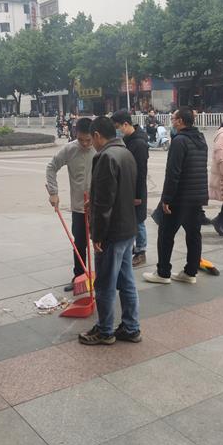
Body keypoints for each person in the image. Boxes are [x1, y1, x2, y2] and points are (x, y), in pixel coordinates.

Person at [78, 116, 140, 345]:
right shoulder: (126, 153)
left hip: (112, 232)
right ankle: (131, 328)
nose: (92, 144)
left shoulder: (105, 157)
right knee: (127, 281)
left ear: (96, 135)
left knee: (104, 283)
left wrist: (98, 234)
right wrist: (94, 199)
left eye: (91, 139)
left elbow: (105, 203)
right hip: (128, 228)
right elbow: (120, 191)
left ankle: (105, 331)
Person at [144, 107, 208, 285]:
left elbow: (173, 173)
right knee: (194, 235)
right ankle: (190, 272)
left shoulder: (179, 140)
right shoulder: (200, 139)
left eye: (173, 118)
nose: (171, 121)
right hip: (197, 196)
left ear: (180, 121)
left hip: (180, 197)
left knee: (165, 234)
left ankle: (163, 272)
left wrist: (166, 199)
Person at [46, 117, 95, 291]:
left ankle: (103, 278)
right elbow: (51, 167)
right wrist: (53, 192)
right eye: (81, 140)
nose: (85, 144)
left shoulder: (100, 148)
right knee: (79, 243)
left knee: (101, 244)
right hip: (79, 207)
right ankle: (79, 277)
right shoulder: (69, 149)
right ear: (75, 134)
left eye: (88, 140)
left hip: (99, 207)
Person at [111, 110, 149, 267]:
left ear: (125, 124)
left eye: (117, 127)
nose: (117, 131)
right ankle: (132, 248)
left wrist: (138, 195)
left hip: (136, 190)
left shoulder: (139, 143)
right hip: (127, 187)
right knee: (130, 219)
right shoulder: (128, 139)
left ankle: (141, 250)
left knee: (138, 221)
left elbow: (142, 171)